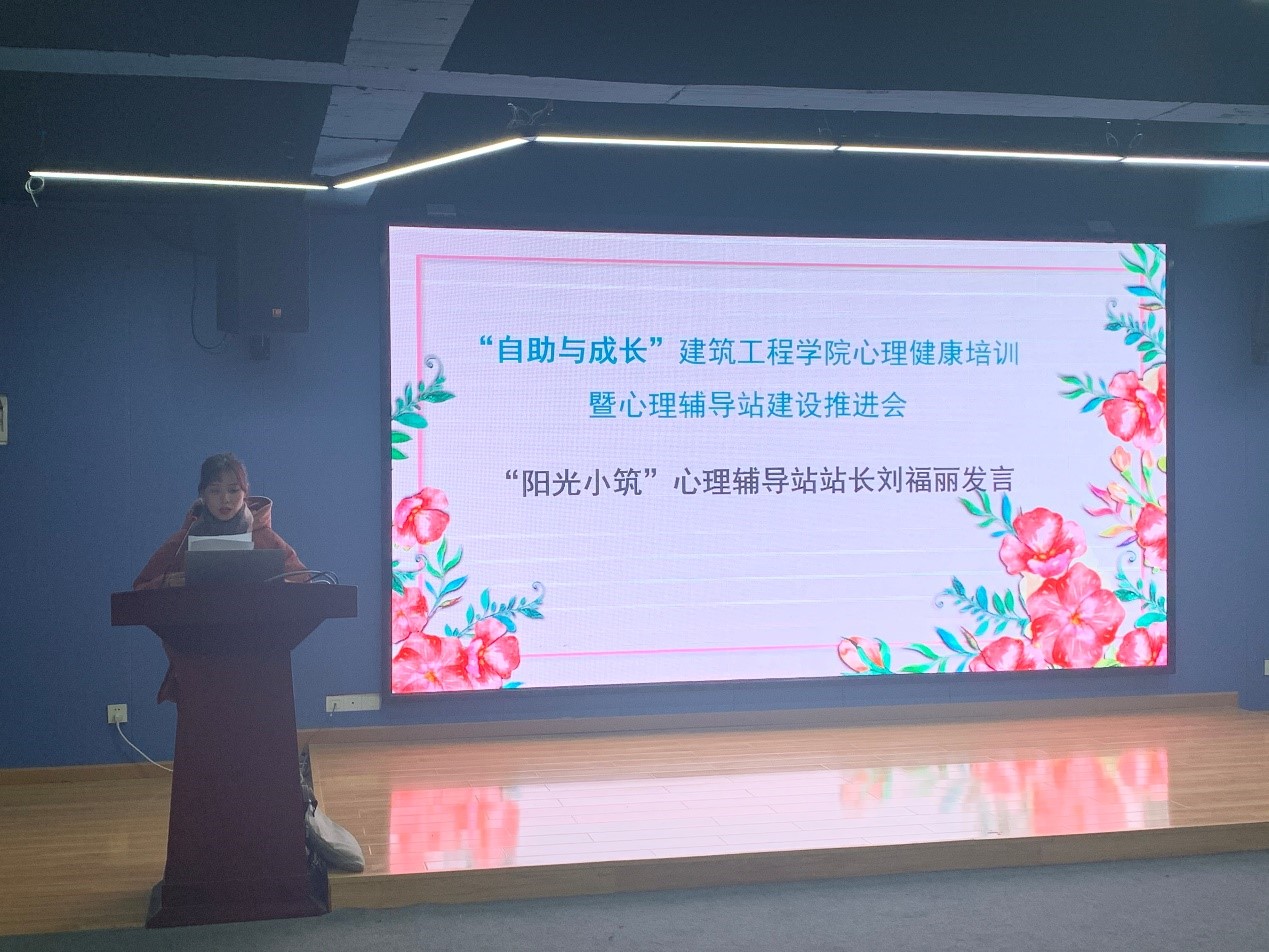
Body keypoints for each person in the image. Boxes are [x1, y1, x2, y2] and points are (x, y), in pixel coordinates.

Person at [133, 452, 307, 591]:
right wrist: (167, 582)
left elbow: (305, 583)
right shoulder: (181, 542)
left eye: (233, 490)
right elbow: (139, 589)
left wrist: (278, 584)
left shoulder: (266, 539)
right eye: (215, 491)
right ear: (202, 494)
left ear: (245, 493)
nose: (225, 499)